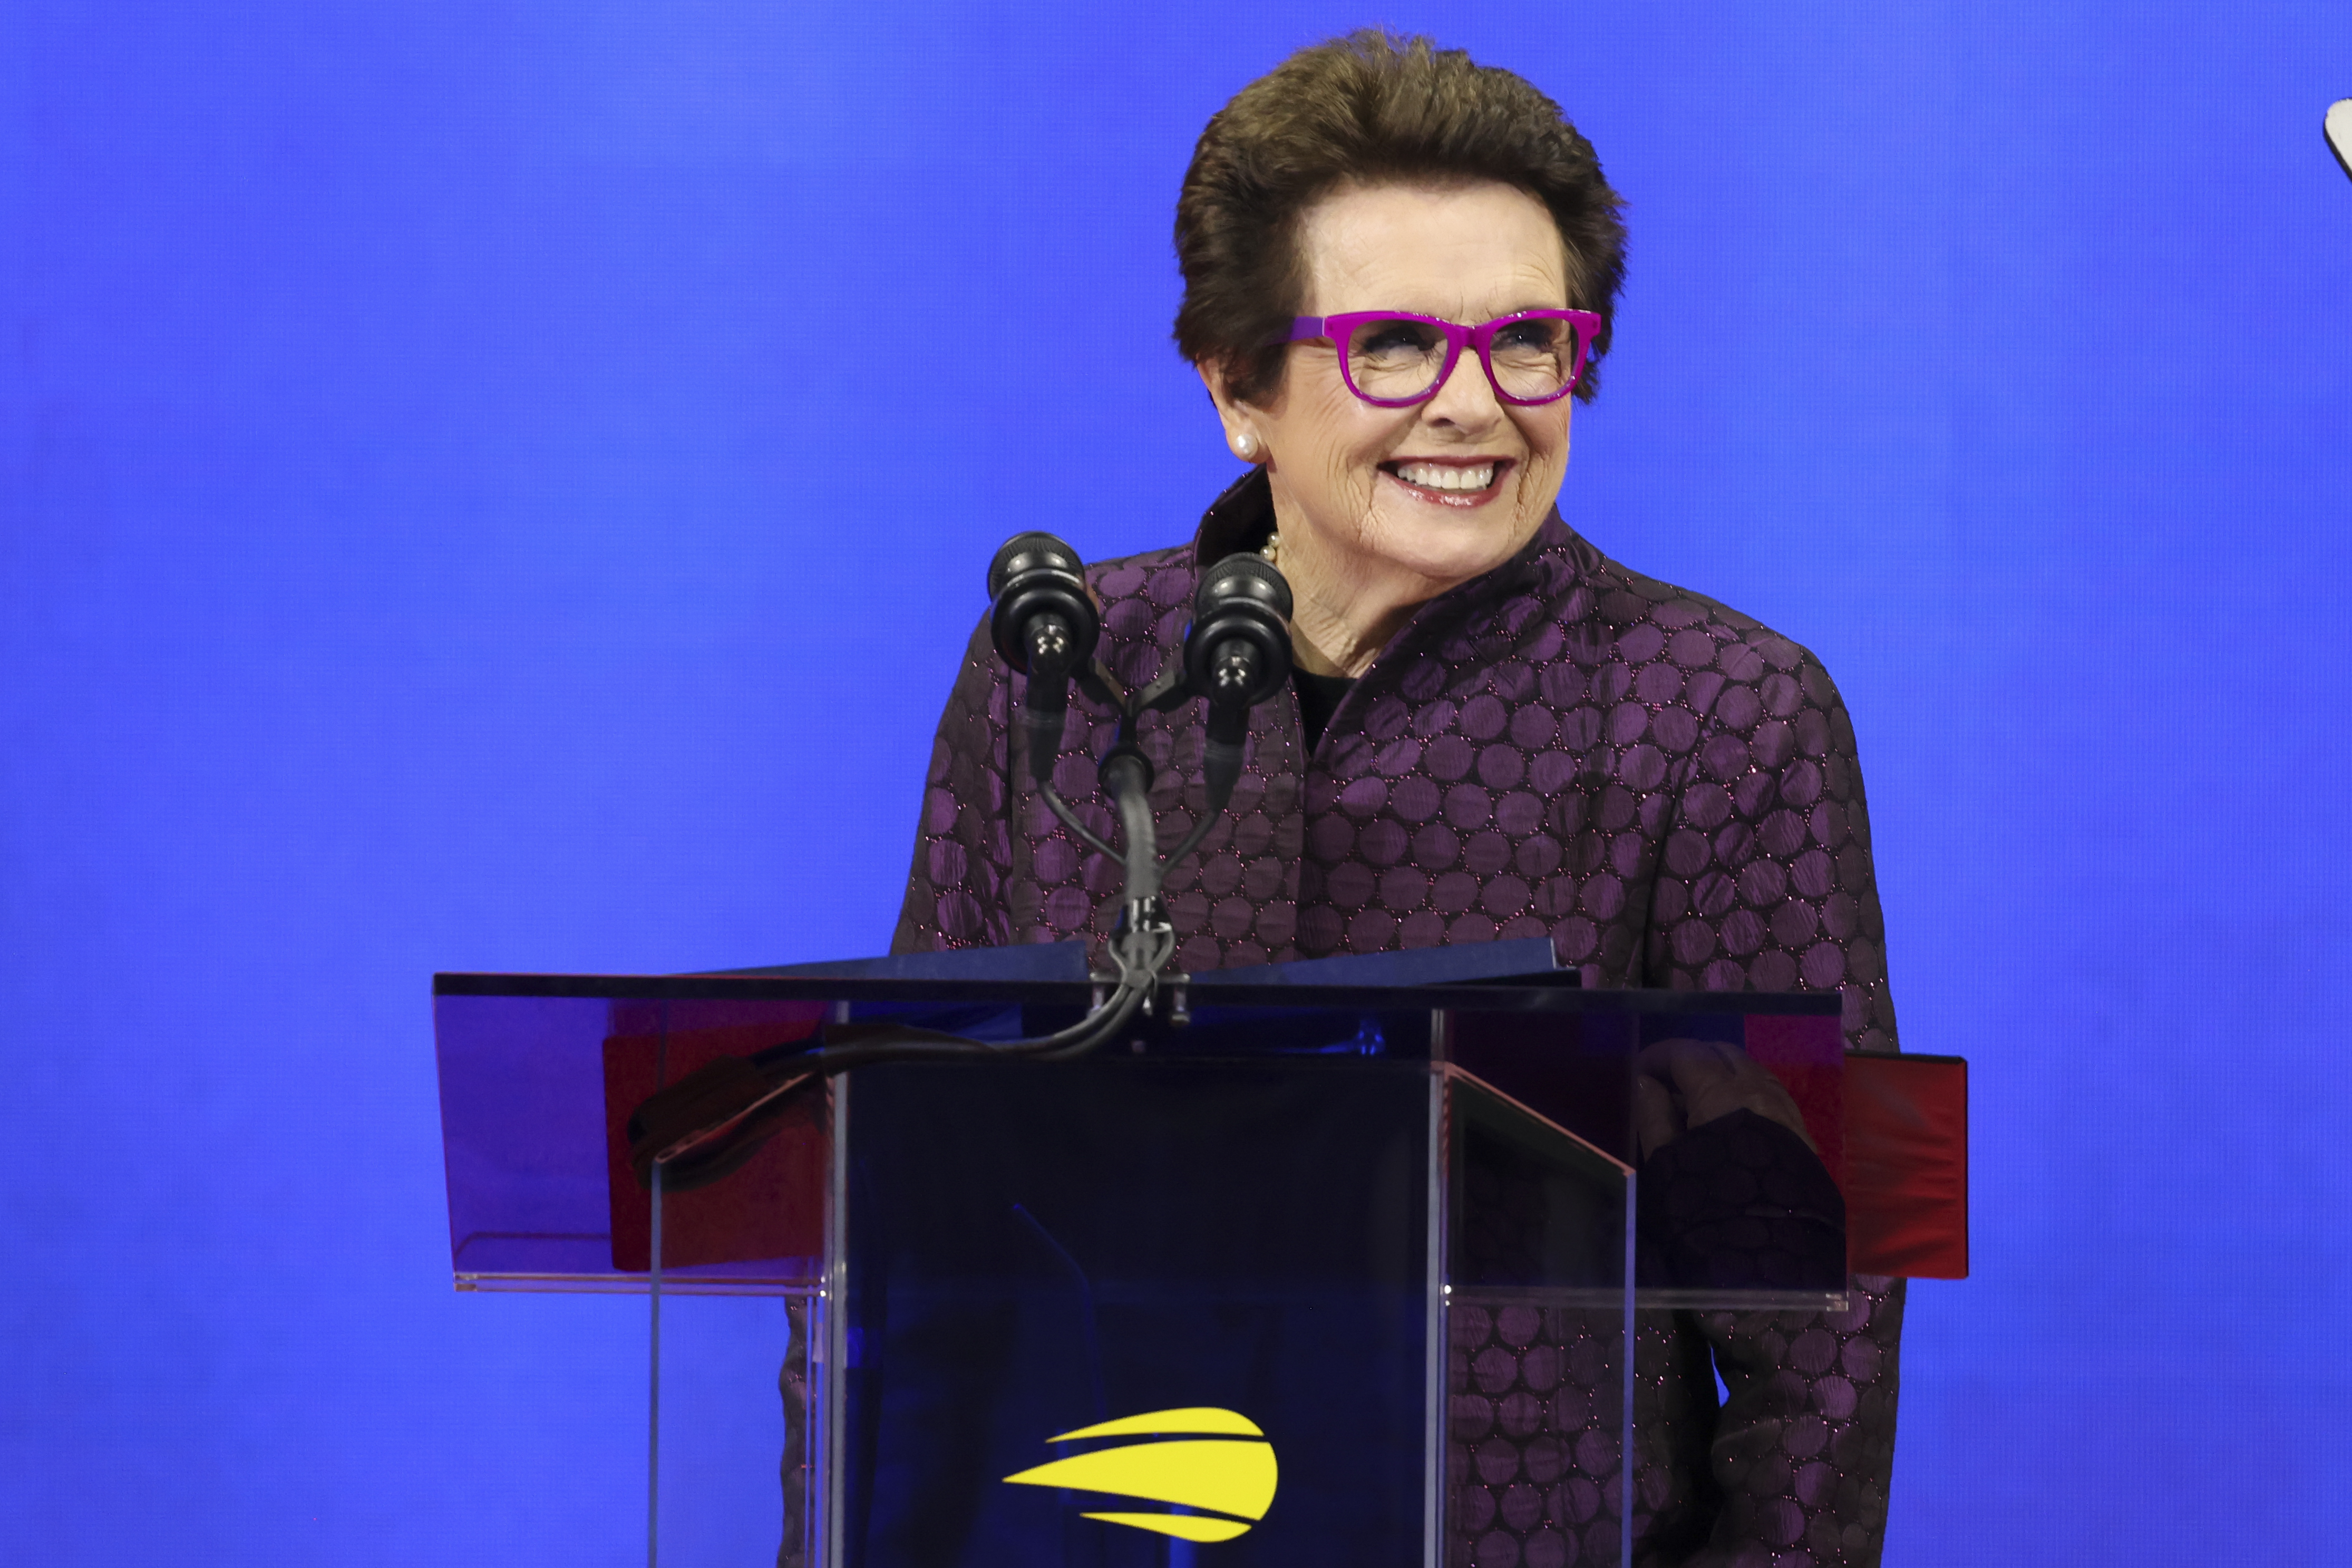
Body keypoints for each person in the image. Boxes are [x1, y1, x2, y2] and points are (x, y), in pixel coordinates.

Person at [892, 30, 1903, 1567]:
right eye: (1392, 346)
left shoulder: (1720, 714)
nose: (1474, 405)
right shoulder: (1069, 669)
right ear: (1237, 384)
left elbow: (1813, 1312)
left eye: (1530, 342)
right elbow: (900, 1193)